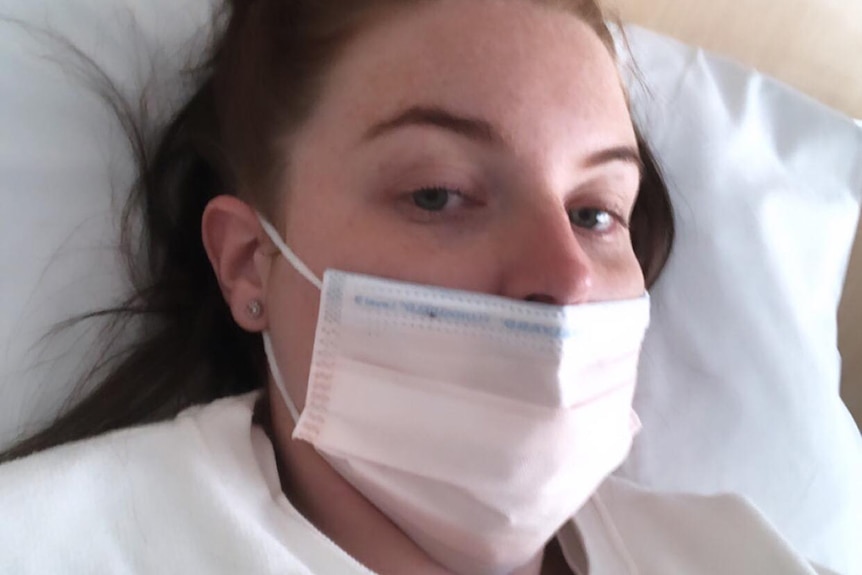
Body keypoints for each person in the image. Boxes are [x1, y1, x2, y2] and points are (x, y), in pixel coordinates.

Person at [0, 1, 839, 574]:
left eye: (594, 212)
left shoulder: (735, 552)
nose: (567, 276)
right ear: (251, 262)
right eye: (437, 194)